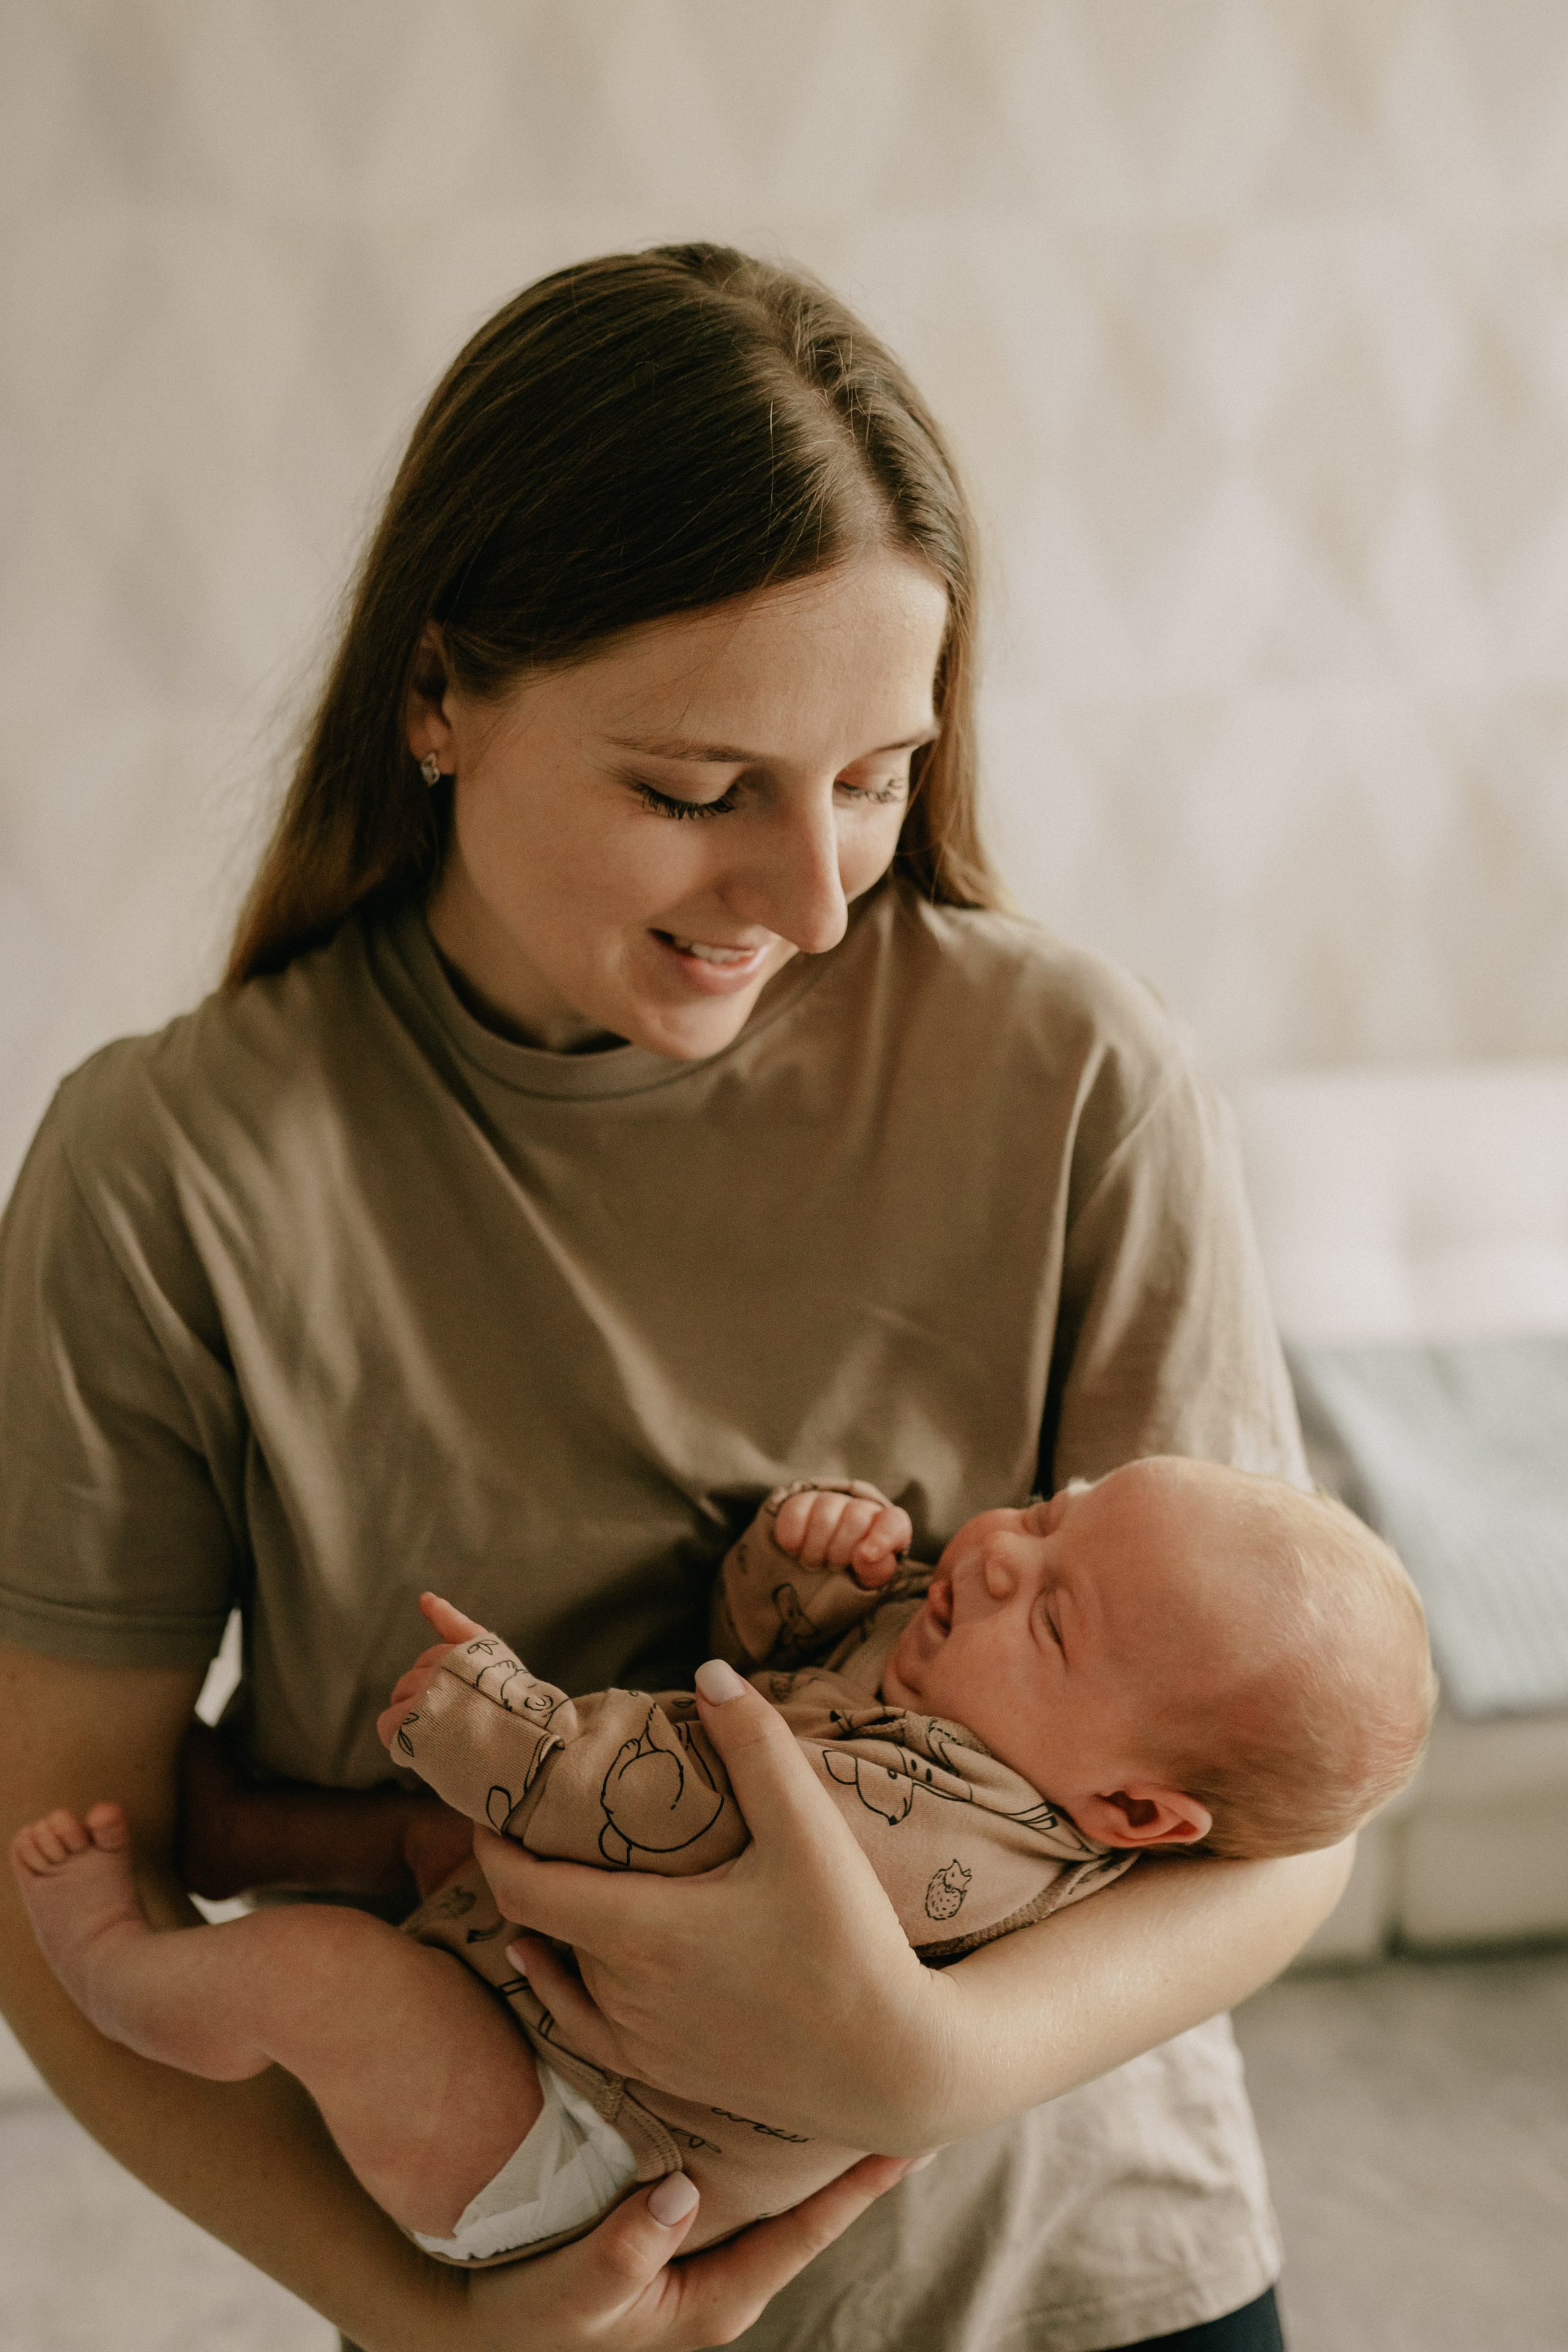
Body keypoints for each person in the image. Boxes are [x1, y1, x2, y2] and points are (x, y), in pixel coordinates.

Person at [0, 244, 1356, 2352]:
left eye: (878, 776)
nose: (811, 899)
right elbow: (50, 1850)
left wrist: (922, 2068)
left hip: (1091, 2290)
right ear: (438, 696)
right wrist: (428, 2317)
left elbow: (1280, 1815)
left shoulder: (1075, 1072)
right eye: (696, 793)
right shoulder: (169, 1174)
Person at [12, 1463, 1434, 2272]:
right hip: (541, 2005)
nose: (999, 1554)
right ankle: (249, 1827)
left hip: (569, 2158)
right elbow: (769, 1671)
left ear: (1128, 1810)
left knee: (326, 1972)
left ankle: (124, 1965)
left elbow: (676, 1797)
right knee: (433, 1863)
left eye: (1054, 1614)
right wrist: (806, 1568)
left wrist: (492, 1723)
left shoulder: (951, 1836)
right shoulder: (978, 1696)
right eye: (1054, 1509)